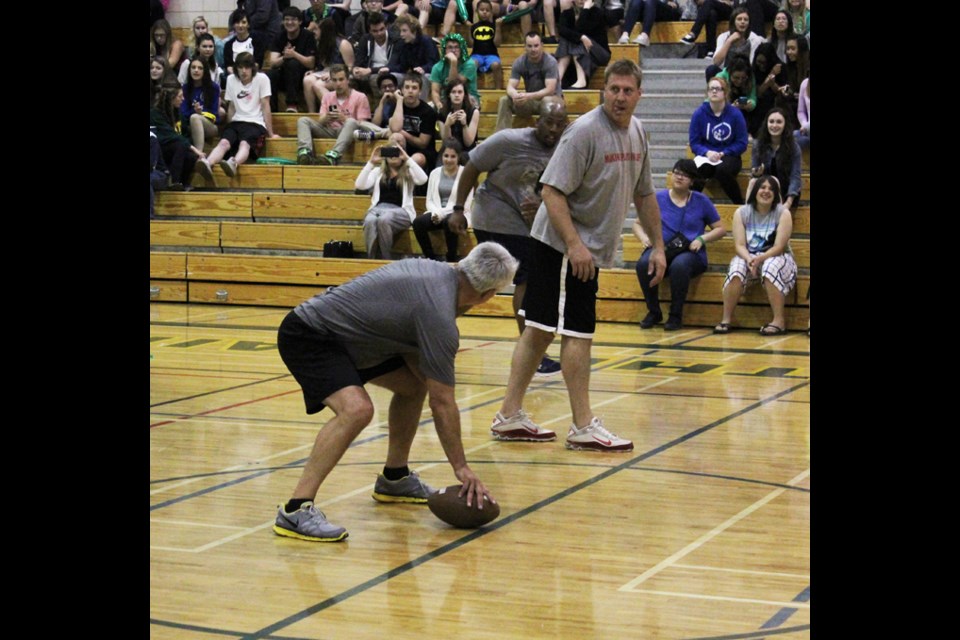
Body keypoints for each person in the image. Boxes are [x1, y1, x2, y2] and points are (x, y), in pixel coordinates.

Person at [273, 241, 515, 542]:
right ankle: (296, 510)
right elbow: (442, 402)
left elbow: (417, 356)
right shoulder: (440, 313)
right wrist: (461, 467)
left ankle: (395, 477)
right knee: (357, 410)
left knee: (413, 387)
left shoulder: (441, 276)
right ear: (488, 295)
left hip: (356, 338)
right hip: (311, 335)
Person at [486, 59, 666, 450]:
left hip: (581, 247)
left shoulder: (637, 132)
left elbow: (645, 193)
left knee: (539, 329)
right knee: (576, 332)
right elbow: (551, 191)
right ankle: (582, 425)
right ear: (604, 91)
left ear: (639, 94)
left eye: (627, 90)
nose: (619, 97)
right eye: (613, 89)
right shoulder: (583, 132)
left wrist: (659, 245)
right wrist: (575, 245)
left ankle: (508, 415)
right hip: (565, 246)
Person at [450, 97, 569, 377]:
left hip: (527, 225)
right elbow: (471, 168)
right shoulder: (508, 141)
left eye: (559, 124)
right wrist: (457, 209)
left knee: (483, 283)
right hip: (496, 217)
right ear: (536, 121)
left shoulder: (565, 149)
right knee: (526, 279)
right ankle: (532, 354)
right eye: (548, 122)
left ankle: (439, 321)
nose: (553, 129)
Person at [634, 159, 725, 331]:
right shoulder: (658, 198)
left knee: (679, 265)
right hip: (663, 249)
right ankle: (654, 311)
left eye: (685, 175)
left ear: (692, 180)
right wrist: (644, 238)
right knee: (643, 264)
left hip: (690, 252)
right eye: (677, 172)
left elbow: (720, 229)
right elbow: (637, 224)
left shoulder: (701, 200)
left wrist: (702, 239)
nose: (680, 177)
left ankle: (675, 315)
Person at [714, 175, 796, 335]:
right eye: (763, 187)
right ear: (755, 191)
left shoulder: (783, 213)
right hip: (750, 256)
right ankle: (726, 319)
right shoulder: (741, 213)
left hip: (779, 257)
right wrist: (750, 259)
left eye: (771, 189)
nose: (766, 191)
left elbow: (779, 247)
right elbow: (739, 245)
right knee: (736, 267)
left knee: (770, 267)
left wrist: (760, 259)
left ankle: (779, 321)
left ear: (776, 194)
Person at [196, 52, 280, 184]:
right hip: (236, 122)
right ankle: (208, 163)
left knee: (244, 144)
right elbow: (232, 107)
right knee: (224, 142)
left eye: (247, 67)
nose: (243, 71)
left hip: (255, 123)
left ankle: (233, 163)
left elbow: (265, 106)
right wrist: (229, 127)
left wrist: (271, 133)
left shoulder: (262, 79)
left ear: (252, 68)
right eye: (240, 68)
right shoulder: (231, 80)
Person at [355, 140, 429, 258]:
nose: (393, 155)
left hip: (401, 211)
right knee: (370, 221)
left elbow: (423, 179)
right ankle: (371, 259)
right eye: (390, 152)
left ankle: (385, 259)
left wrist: (407, 159)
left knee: (384, 219)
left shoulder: (408, 172)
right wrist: (371, 163)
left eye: (396, 152)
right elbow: (359, 185)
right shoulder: (377, 171)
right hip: (378, 209)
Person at [296, 64, 372, 165]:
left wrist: (344, 118)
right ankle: (304, 154)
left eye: (341, 79)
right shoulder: (327, 96)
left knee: (351, 121)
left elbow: (363, 125)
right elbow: (320, 121)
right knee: (302, 120)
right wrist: (326, 117)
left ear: (348, 80)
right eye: (334, 80)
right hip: (330, 130)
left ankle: (333, 155)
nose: (338, 84)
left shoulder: (360, 97)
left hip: (349, 132)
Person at [688, 76, 748, 204]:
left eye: (717, 89)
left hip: (729, 156)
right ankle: (688, 205)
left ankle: (739, 205)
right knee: (697, 171)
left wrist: (724, 153)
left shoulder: (735, 114)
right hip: (706, 156)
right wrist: (707, 152)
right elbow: (694, 143)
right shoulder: (699, 114)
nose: (714, 92)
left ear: (725, 93)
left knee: (722, 170)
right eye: (711, 89)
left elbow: (742, 142)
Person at [413, 139, 474, 261]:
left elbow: (465, 205)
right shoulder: (434, 173)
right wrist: (436, 213)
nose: (449, 160)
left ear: (458, 157)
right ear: (442, 156)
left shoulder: (466, 173)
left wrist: (441, 214)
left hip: (460, 214)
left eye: (453, 156)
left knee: (449, 221)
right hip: (436, 213)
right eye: (446, 156)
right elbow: (429, 201)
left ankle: (451, 257)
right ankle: (430, 258)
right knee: (418, 223)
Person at [494, 32, 562, 132]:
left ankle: (547, 137)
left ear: (542, 45)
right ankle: (500, 137)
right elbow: (510, 87)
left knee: (547, 100)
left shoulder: (550, 62)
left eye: (536, 46)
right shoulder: (519, 62)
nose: (533, 49)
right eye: (529, 46)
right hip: (532, 102)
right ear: (524, 47)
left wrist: (527, 96)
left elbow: (550, 90)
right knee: (504, 100)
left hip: (553, 102)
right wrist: (515, 95)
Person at [150, 81, 203, 191]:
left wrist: (192, 150)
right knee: (181, 145)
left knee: (190, 156)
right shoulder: (155, 114)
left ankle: (182, 183)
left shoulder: (177, 112)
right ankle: (173, 181)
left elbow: (185, 133)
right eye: (180, 96)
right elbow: (172, 135)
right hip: (161, 151)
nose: (183, 99)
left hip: (177, 149)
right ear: (171, 98)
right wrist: (195, 149)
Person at [265, 6, 317, 113]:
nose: (289, 22)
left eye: (293, 19)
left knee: (292, 63)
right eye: (287, 19)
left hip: (301, 77)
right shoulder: (279, 36)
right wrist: (284, 57)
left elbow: (311, 63)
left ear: (300, 21)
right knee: (270, 74)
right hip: (284, 76)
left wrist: (294, 54)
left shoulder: (308, 36)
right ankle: (272, 110)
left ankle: (292, 104)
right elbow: (273, 63)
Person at [751, 107, 801, 210]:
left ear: (785, 125)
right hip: (766, 190)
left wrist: (788, 203)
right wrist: (756, 173)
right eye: (771, 122)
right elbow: (754, 172)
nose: (774, 125)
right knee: (753, 183)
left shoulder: (794, 147)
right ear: (766, 124)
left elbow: (795, 177)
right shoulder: (757, 145)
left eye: (779, 122)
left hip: (787, 192)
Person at [303, 17, 357, 112]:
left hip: (342, 74)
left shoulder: (343, 44)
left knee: (318, 85)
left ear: (324, 31)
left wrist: (333, 74)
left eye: (316, 29)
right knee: (307, 80)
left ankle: (336, 111)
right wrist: (314, 71)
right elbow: (322, 65)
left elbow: (350, 66)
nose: (313, 32)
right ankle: (312, 113)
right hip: (326, 72)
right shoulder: (320, 43)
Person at [555, 0, 610, 90]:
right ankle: (558, 79)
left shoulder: (597, 13)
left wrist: (585, 10)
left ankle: (581, 80)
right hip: (582, 51)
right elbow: (562, 30)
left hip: (600, 53)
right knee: (568, 38)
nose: (581, 0)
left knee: (577, 39)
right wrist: (581, 37)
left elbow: (580, 29)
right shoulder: (567, 13)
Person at [389, 73, 439, 169]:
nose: (410, 91)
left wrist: (402, 132)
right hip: (401, 148)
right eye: (407, 87)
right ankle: (388, 178)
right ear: (402, 90)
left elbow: (423, 143)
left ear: (420, 91)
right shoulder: (396, 106)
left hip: (423, 152)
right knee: (395, 137)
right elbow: (395, 128)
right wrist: (399, 101)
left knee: (416, 159)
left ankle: (401, 177)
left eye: (414, 88)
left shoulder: (428, 112)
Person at [705, 6, 765, 80]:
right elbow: (716, 62)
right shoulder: (723, 37)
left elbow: (752, 65)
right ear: (733, 22)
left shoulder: (754, 39)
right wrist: (729, 41)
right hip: (726, 73)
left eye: (746, 20)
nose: (742, 22)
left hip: (745, 75)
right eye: (739, 19)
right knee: (711, 70)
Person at [387, 14, 440, 94]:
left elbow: (435, 65)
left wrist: (423, 69)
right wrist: (388, 69)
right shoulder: (404, 44)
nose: (401, 34)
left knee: (423, 78)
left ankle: (421, 104)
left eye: (404, 31)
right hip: (413, 75)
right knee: (393, 76)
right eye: (400, 31)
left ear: (414, 31)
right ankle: (395, 103)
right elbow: (402, 67)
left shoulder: (427, 41)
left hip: (428, 74)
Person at [351, 12, 400, 98]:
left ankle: (383, 108)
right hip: (370, 70)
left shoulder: (395, 39)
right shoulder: (365, 39)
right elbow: (359, 61)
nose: (379, 33)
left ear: (386, 26)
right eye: (375, 31)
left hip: (389, 70)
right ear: (369, 31)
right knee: (350, 80)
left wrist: (370, 70)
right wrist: (355, 69)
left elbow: (392, 64)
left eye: (381, 29)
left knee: (375, 79)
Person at [181, 57, 223, 153]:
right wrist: (194, 112)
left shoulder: (213, 87)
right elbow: (183, 112)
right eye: (193, 67)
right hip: (189, 124)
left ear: (205, 71)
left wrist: (201, 113)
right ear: (189, 70)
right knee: (193, 118)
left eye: (200, 68)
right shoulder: (185, 88)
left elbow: (214, 113)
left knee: (195, 117)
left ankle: (199, 154)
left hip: (210, 125)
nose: (196, 70)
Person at [430, 33, 480, 108]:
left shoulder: (470, 64)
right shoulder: (437, 67)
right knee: (430, 106)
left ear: (461, 49)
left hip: (467, 98)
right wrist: (438, 104)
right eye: (450, 47)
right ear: (444, 49)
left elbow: (454, 85)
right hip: (446, 98)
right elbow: (435, 91)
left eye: (457, 47)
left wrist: (453, 62)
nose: (453, 50)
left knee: (468, 101)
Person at [714, 56, 757, 133]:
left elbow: (753, 97)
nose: (740, 81)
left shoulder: (750, 78)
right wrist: (730, 107)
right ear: (730, 73)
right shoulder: (720, 78)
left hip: (744, 109)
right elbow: (713, 103)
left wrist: (750, 105)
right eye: (736, 78)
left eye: (743, 78)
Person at [467, 0, 503, 90]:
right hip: (476, 54)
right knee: (472, 64)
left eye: (487, 10)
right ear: (477, 11)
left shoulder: (494, 26)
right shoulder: (474, 26)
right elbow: (470, 44)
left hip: (491, 55)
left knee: (496, 65)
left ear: (491, 12)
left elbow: (497, 43)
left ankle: (498, 90)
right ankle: (472, 89)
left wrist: (498, 28)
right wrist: (468, 30)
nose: (484, 12)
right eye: (482, 10)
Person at [775, 33, 808, 129]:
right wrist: (787, 91)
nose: (789, 52)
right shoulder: (789, 68)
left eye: (793, 49)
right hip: (795, 106)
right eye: (788, 48)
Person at [438, 79, 480, 151]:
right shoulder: (442, 112)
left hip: (468, 151)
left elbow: (469, 143)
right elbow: (446, 143)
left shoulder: (473, 112)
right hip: (448, 152)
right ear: (449, 94)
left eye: (460, 92)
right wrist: (447, 126)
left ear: (464, 95)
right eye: (453, 92)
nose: (457, 95)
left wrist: (464, 125)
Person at [618, 0, 682, 47]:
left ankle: (645, 35)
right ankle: (625, 34)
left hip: (666, 9)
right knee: (636, 1)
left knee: (650, 1)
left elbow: (677, 5)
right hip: (646, 9)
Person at [223, 10, 268, 77]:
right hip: (235, 76)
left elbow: (257, 64)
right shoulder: (228, 45)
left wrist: (246, 74)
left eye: (243, 22)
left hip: (253, 75)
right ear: (233, 25)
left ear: (248, 24)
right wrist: (238, 75)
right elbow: (229, 66)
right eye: (237, 22)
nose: (240, 25)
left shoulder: (257, 41)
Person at [795, 75, 809, 149]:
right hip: (808, 130)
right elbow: (801, 111)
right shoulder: (805, 83)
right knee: (791, 136)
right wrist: (804, 124)